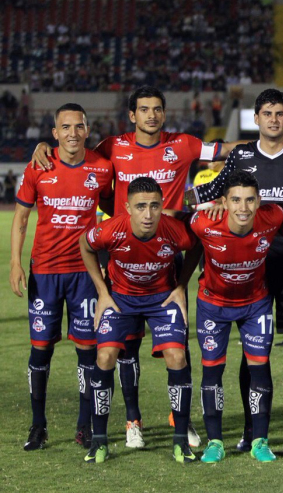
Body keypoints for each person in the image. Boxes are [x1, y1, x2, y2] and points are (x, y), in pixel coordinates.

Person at [32, 85, 237, 449]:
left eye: (157, 109)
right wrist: (44, 148)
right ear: (132, 115)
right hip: (122, 249)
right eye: (144, 109)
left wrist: (274, 145)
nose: (152, 115)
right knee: (125, 344)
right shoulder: (113, 147)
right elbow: (74, 154)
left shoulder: (184, 144)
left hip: (168, 247)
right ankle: (132, 420)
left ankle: (181, 419)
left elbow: (229, 152)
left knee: (176, 342)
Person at [184, 88, 283, 451]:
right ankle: (250, 428)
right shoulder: (242, 156)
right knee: (253, 354)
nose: (274, 119)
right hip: (251, 268)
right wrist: (206, 202)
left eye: (280, 114)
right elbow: (214, 189)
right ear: (257, 118)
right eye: (267, 113)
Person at [10, 103, 114, 452]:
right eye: (65, 127)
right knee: (40, 351)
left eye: (79, 126)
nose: (72, 133)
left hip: (85, 274)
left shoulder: (102, 168)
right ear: (54, 133)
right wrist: (14, 262)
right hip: (45, 272)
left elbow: (118, 210)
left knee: (87, 352)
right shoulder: (39, 166)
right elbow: (22, 219)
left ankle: (84, 426)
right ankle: (38, 426)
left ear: (87, 130)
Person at [79, 177, 196, 464]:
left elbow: (195, 247)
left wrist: (180, 286)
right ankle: (100, 441)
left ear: (162, 206)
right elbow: (85, 245)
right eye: (141, 206)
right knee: (105, 357)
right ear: (127, 207)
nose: (148, 214)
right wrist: (102, 292)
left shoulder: (174, 231)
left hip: (161, 299)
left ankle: (181, 441)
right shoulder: (111, 230)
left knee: (177, 357)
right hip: (121, 299)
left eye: (155, 206)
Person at [176, 171, 283, 463]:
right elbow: (178, 208)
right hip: (214, 306)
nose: (243, 208)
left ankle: (260, 440)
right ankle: (215, 442)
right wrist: (206, 201)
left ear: (259, 201)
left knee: (260, 369)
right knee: (212, 372)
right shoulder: (204, 222)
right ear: (224, 201)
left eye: (250, 200)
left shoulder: (272, 217)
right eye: (235, 200)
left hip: (256, 304)